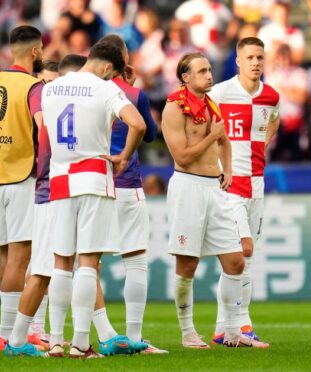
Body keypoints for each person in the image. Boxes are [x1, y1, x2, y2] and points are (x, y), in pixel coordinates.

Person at [42, 40, 146, 359]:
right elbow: (138, 123)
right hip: (94, 176)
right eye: (112, 74)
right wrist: (124, 156)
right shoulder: (104, 90)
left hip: (59, 178)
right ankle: (80, 344)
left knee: (61, 263)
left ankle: (56, 341)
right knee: (88, 263)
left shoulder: (51, 88)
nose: (111, 78)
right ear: (105, 68)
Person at [162, 52, 267, 348]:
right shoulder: (173, 107)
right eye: (202, 71)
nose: (209, 75)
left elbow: (225, 141)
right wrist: (212, 136)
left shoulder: (210, 104)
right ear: (185, 77)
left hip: (215, 188)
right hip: (188, 187)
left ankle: (232, 330)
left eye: (209, 70)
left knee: (235, 260)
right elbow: (181, 155)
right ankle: (187, 333)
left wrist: (228, 170)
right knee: (188, 265)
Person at [89, 33, 164, 355]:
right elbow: (151, 134)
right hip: (127, 183)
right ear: (122, 61)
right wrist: (134, 88)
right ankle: (135, 336)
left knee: (87, 263)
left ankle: (86, 335)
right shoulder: (133, 94)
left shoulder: (79, 91)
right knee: (135, 260)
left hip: (90, 185)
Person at [208, 37, 279, 347]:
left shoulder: (272, 97)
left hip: (257, 184)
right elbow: (199, 123)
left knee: (245, 261)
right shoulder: (220, 93)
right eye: (249, 57)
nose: (255, 62)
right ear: (237, 61)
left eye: (260, 57)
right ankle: (243, 322)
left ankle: (224, 328)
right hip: (230, 184)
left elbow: (273, 123)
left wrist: (261, 144)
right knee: (243, 250)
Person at [0, 25, 44, 353]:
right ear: (35, 51)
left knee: (3, 257)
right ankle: (6, 336)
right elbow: (43, 128)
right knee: (19, 257)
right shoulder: (33, 86)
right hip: (20, 177)